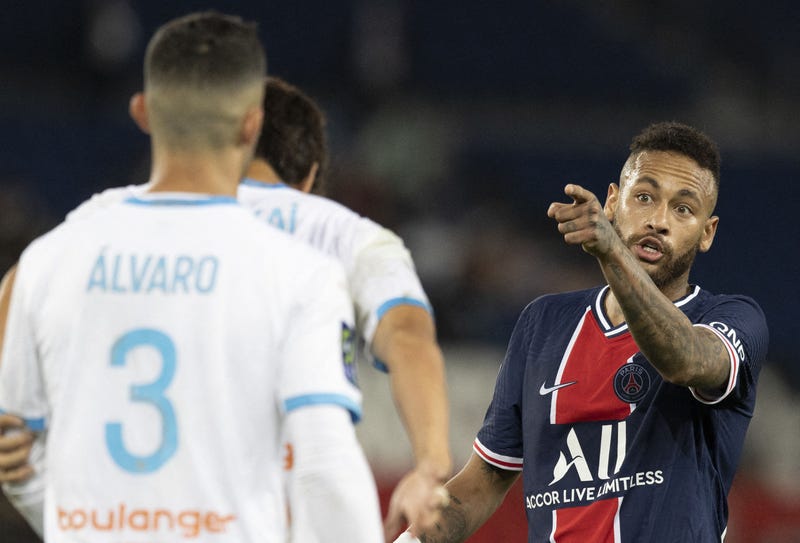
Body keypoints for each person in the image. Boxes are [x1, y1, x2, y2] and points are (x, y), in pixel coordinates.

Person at [0, 76, 452, 540]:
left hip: (131, 513)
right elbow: (408, 337)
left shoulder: (116, 212)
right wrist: (429, 465)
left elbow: (21, 280)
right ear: (311, 174)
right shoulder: (348, 236)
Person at [397, 121, 769, 542]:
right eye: (644, 197)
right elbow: (482, 482)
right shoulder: (543, 324)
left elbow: (686, 360)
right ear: (613, 202)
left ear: (707, 233)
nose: (658, 221)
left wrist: (612, 253)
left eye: (683, 209)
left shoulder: (733, 318)